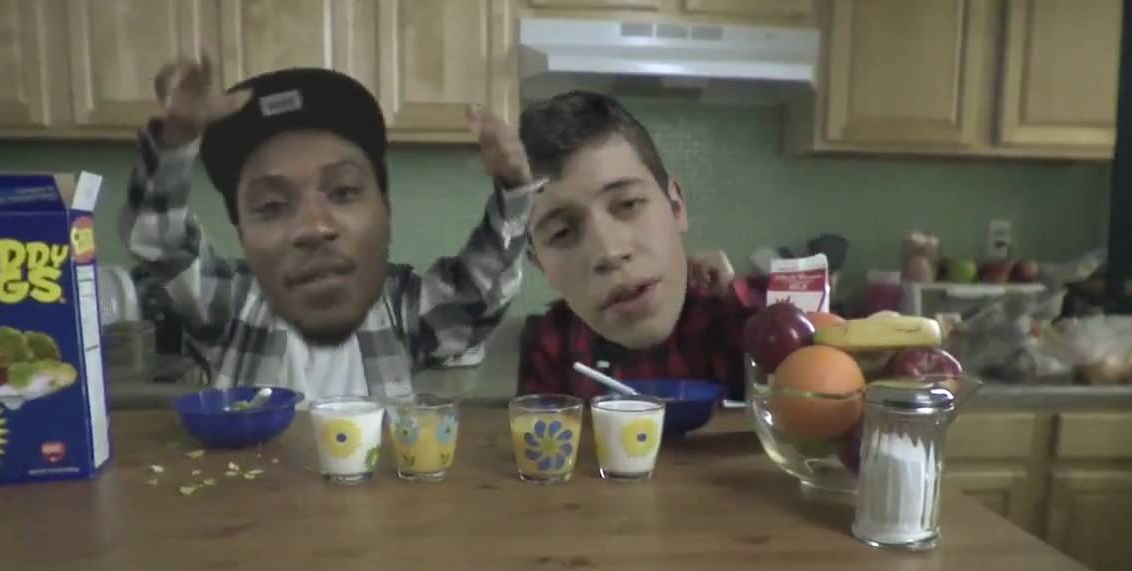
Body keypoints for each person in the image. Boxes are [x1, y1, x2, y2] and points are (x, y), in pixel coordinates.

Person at [120, 57, 536, 399]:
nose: (314, 227)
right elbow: (157, 237)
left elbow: (475, 299)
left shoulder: (398, 308)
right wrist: (175, 142)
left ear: (384, 211)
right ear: (242, 231)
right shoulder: (232, 303)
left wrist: (516, 191)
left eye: (343, 192)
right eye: (271, 206)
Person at [515, 90, 749, 398]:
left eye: (628, 204)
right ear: (541, 265)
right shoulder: (552, 349)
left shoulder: (749, 320)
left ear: (676, 206)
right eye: (562, 232)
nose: (609, 253)